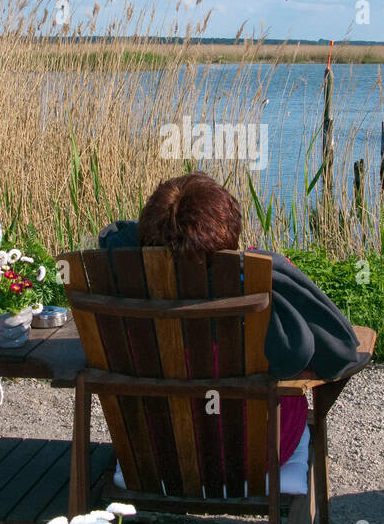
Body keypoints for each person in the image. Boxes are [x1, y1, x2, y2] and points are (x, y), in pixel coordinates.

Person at [98, 172, 362, 465]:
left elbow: (117, 236)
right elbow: (341, 352)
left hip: (159, 451)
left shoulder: (125, 280)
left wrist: (161, 242)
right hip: (255, 454)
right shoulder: (260, 284)